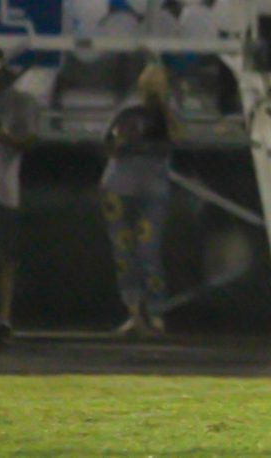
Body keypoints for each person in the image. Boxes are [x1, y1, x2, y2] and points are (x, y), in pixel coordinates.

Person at [99, 62, 179, 337]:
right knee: (124, 253)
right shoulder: (127, 108)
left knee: (148, 250)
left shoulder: (168, 111)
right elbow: (109, 143)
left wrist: (163, 110)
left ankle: (155, 312)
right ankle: (134, 311)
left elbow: (175, 138)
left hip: (152, 188)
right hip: (119, 188)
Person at [0, 51, 39, 348]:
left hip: (0, 190)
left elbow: (29, 139)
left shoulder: (21, 101)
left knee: (1, 256)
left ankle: (3, 319)